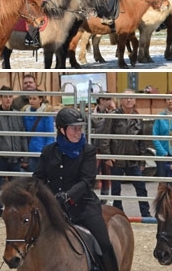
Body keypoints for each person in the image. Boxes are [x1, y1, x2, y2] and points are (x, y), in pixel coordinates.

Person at [33, 108, 119, 271]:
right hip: (53, 208)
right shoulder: (48, 151)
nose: (78, 132)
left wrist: (67, 196)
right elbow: (39, 178)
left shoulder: (88, 151)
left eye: (80, 128)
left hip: (83, 207)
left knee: (104, 242)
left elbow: (87, 181)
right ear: (61, 129)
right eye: (74, 128)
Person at [100, 89, 151, 218]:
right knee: (116, 188)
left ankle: (146, 214)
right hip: (117, 158)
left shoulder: (138, 118)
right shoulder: (113, 116)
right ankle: (118, 214)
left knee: (141, 187)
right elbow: (105, 136)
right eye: (126, 98)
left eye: (131, 98)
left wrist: (142, 160)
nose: (129, 100)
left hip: (133, 159)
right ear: (121, 100)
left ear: (135, 101)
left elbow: (142, 141)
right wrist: (107, 155)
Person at [0, 86, 28, 217]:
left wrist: (24, 155)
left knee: (16, 188)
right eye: (5, 96)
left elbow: (22, 135)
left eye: (10, 96)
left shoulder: (17, 115)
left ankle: (15, 210)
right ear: (0, 98)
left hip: (15, 157)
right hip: (0, 158)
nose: (8, 99)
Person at [22, 90, 54, 172]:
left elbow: (50, 135)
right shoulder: (25, 113)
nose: (31, 101)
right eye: (30, 98)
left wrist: (48, 151)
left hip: (42, 151)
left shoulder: (47, 114)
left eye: (34, 98)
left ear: (40, 99)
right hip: (30, 151)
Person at [91, 95, 116, 202]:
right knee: (91, 174)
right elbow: (97, 127)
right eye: (108, 99)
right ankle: (90, 199)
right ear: (102, 100)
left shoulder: (109, 114)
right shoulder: (92, 114)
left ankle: (104, 201)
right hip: (93, 149)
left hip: (105, 148)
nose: (110, 102)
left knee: (106, 176)